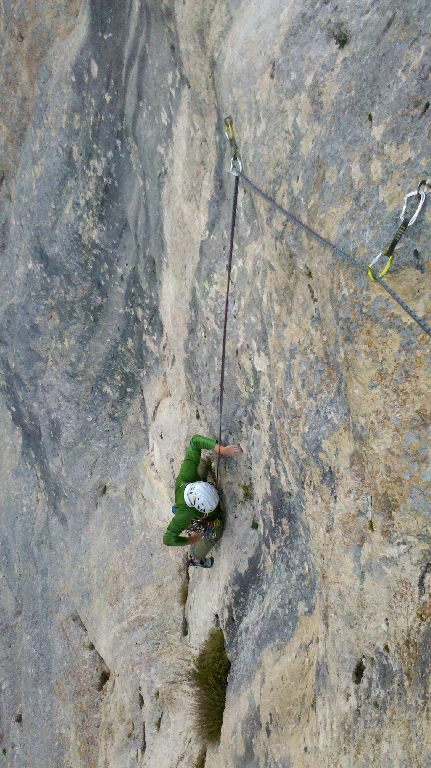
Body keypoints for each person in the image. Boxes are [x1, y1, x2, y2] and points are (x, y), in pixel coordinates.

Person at [163, 434, 242, 567]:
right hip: (195, 514)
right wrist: (191, 540)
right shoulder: (185, 515)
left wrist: (222, 450)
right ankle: (195, 557)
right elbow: (168, 539)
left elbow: (195, 442)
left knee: (200, 464)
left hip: (193, 485)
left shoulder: (187, 474)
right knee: (216, 530)